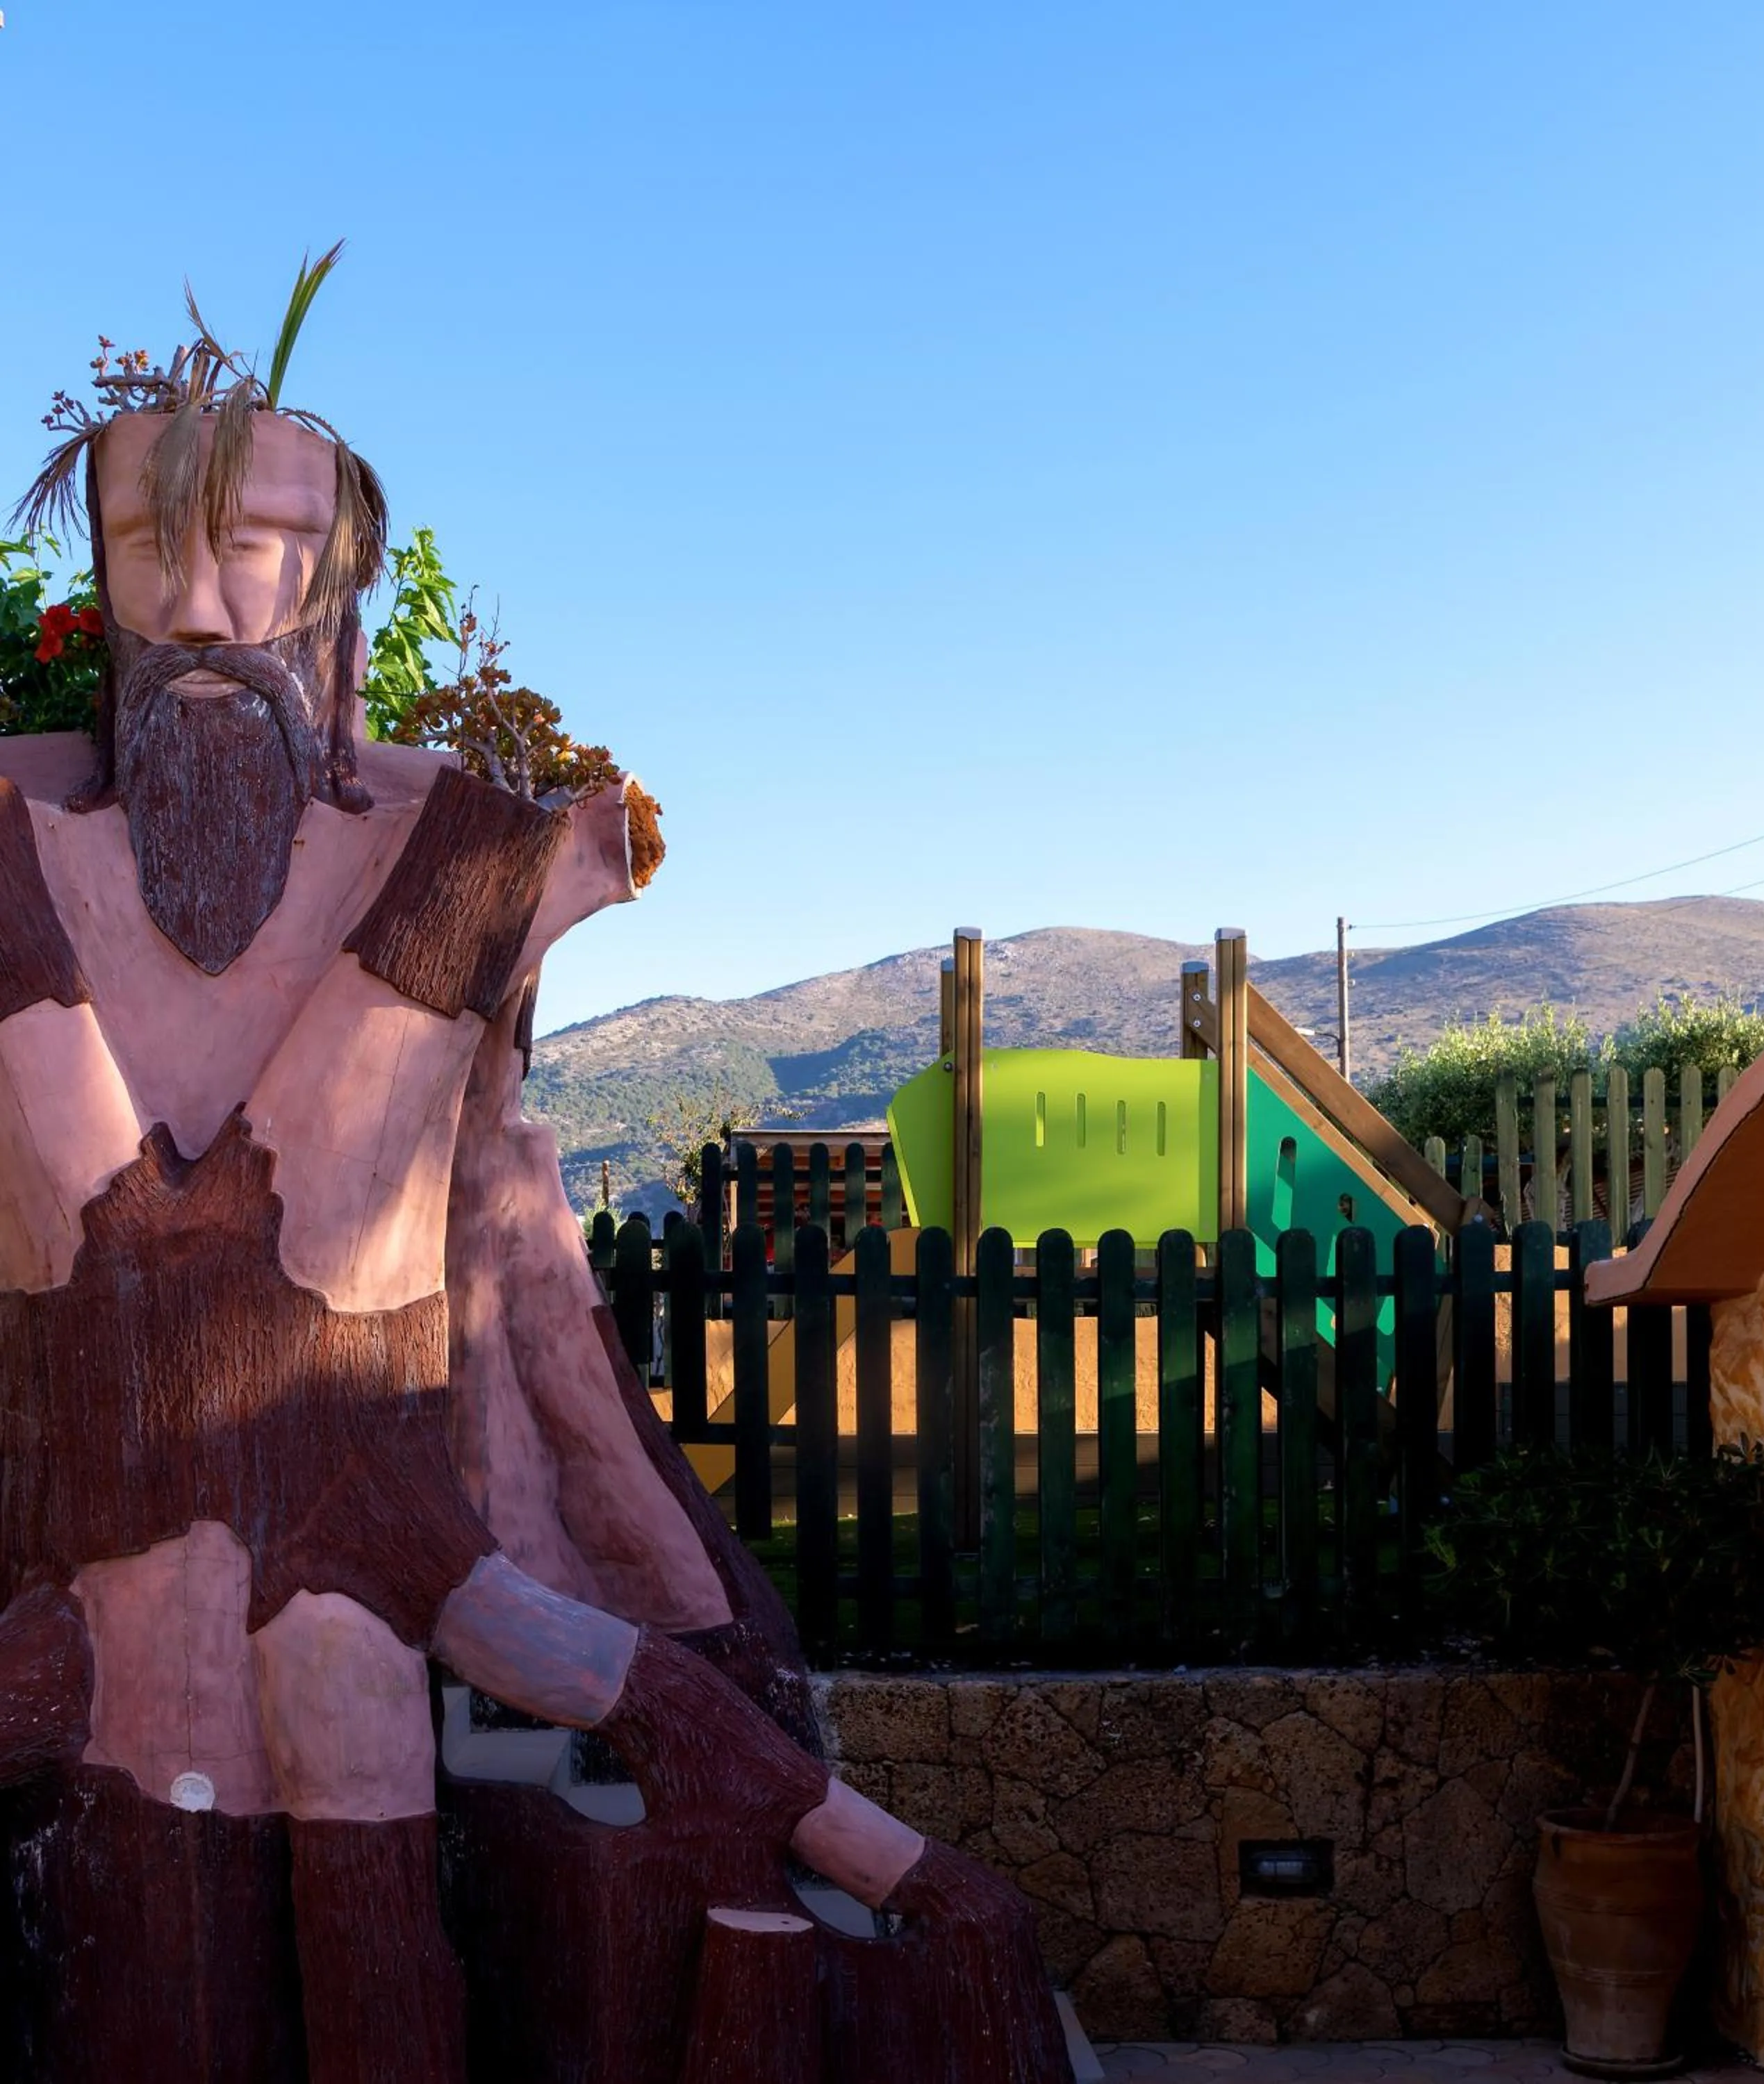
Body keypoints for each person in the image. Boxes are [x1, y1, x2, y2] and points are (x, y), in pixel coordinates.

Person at [0, 331, 1068, 2083]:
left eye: (256, 547)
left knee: (363, 1819)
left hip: (368, 1537)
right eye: (145, 553)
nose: (200, 610)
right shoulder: (23, 861)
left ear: (332, 601)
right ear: (96, 587)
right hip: (109, 1588)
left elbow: (496, 1240)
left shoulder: (462, 855)